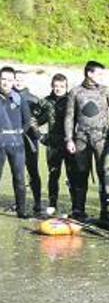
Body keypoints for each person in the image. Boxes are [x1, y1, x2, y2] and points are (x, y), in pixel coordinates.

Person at [64, 60, 109, 220]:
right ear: (89, 73)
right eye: (99, 73)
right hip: (81, 139)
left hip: (102, 139)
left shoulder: (107, 91)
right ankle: (78, 209)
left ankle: (106, 210)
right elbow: (69, 117)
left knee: (104, 174)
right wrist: (69, 139)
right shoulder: (75, 92)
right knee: (80, 175)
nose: (102, 77)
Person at [35, 73, 70, 213]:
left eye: (61, 86)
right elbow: (32, 119)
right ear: (52, 86)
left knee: (72, 175)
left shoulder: (71, 101)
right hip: (53, 144)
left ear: (66, 87)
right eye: (56, 86)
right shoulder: (45, 101)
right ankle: (52, 203)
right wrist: (40, 136)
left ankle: (75, 206)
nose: (58, 89)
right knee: (53, 175)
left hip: (69, 143)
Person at [0, 67, 32, 218]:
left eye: (9, 79)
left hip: (17, 145)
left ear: (14, 81)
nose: (6, 82)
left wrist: (20, 133)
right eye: (3, 79)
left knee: (19, 177)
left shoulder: (19, 99)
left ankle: (22, 210)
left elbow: (27, 122)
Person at [12, 70, 43, 214]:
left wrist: (37, 132)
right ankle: (19, 202)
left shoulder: (34, 99)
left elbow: (42, 118)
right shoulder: (6, 97)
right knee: (17, 173)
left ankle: (37, 202)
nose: (18, 82)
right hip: (11, 140)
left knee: (33, 171)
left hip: (29, 140)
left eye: (21, 79)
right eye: (16, 79)